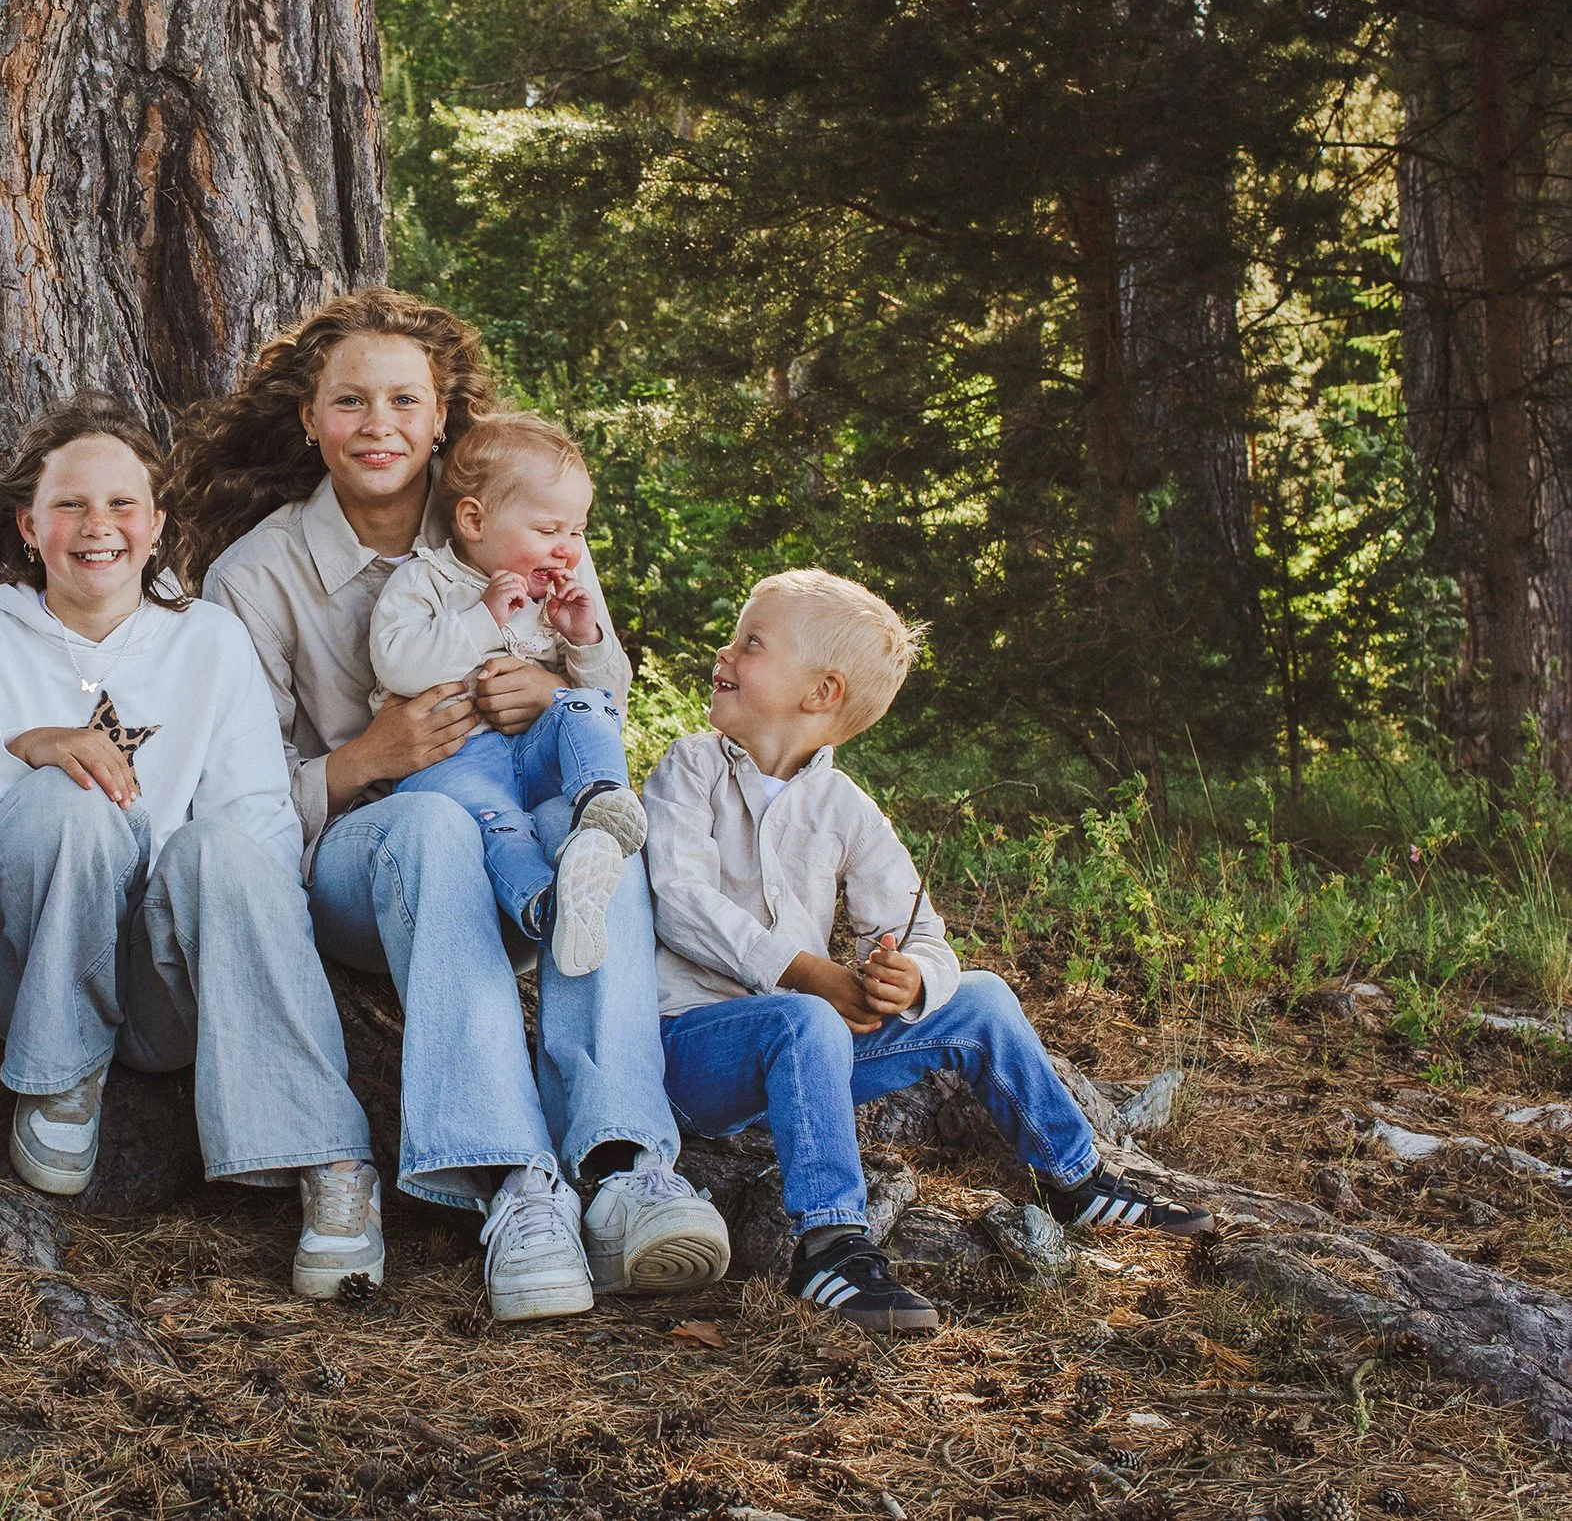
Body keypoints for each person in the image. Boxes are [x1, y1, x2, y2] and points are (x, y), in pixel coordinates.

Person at [173, 288, 730, 1323]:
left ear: (442, 418)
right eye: (349, 400)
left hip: (514, 850)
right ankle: (513, 1180)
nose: (377, 423)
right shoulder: (255, 576)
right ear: (311, 418)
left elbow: (596, 676)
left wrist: (552, 693)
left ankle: (623, 1170)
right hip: (359, 860)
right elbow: (234, 799)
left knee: (592, 836)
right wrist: (361, 757)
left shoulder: (514, 513)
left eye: (402, 401)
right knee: (427, 822)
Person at [0, 398, 383, 1300]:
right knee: (67, 797)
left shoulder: (209, 642)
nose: (98, 527)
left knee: (225, 849)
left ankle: (329, 1159)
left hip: (169, 983)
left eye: (123, 504)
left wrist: (237, 935)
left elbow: (262, 827)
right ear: (29, 527)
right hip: (27, 968)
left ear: (156, 526)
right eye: (71, 505)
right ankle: (62, 1076)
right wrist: (23, 752)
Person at [645, 568, 1214, 1333]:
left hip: (805, 1061)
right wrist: (805, 972)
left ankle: (1076, 1178)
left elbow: (922, 935)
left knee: (979, 996)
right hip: (693, 1055)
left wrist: (909, 978)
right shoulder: (690, 768)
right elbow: (679, 900)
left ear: (821, 692)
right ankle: (830, 1243)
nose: (724, 650)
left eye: (751, 641)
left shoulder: (847, 809)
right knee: (805, 1019)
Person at [368, 410, 647, 978]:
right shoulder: (428, 582)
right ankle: (547, 910)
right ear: (473, 519)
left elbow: (609, 700)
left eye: (577, 531)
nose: (568, 549)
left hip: (533, 754)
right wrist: (483, 619)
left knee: (583, 706)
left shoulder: (557, 594)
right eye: (548, 531)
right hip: (454, 759)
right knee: (500, 826)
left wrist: (583, 637)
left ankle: (600, 799)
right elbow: (396, 663)